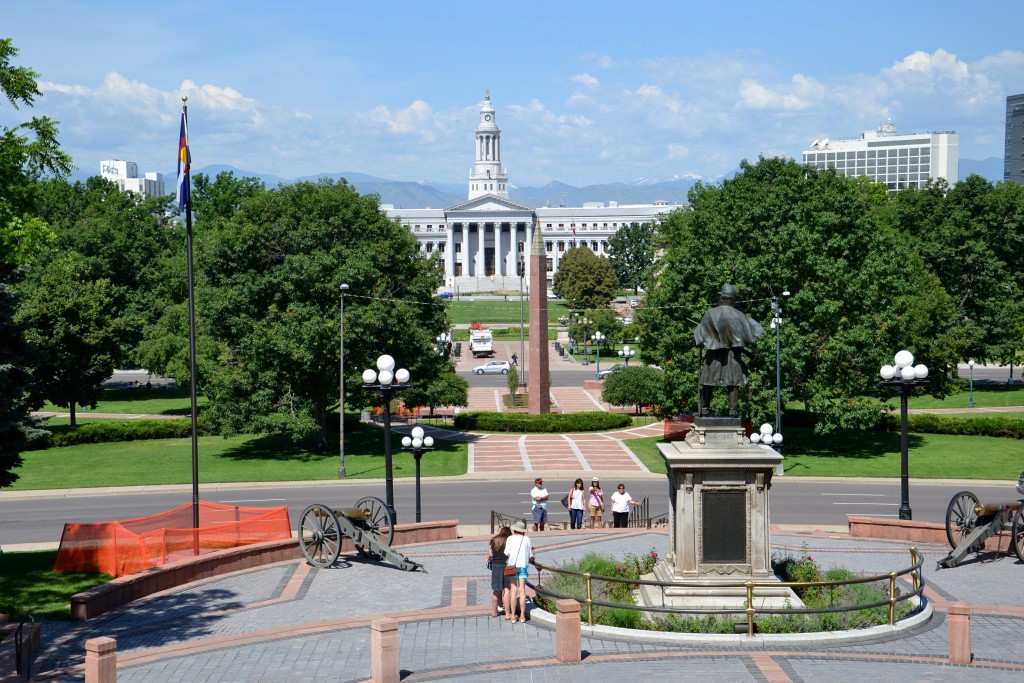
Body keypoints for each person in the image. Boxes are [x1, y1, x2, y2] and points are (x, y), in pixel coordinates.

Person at [694, 283, 766, 417]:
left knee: (708, 382)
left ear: (722, 297)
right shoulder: (740, 315)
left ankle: (704, 409)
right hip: (733, 355)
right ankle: (733, 412)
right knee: (733, 384)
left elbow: (700, 338)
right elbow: (757, 332)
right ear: (732, 299)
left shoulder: (710, 314)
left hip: (714, 355)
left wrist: (702, 339)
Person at [504, 520, 535, 622]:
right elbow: (531, 554)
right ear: (522, 531)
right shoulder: (526, 539)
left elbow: (506, 552)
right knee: (522, 590)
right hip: (523, 566)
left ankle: (513, 616)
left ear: (515, 529)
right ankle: (522, 615)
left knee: (513, 590)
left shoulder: (510, 538)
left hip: (512, 566)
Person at [485, 526, 512, 618]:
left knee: (496, 590)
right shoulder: (509, 540)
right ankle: (508, 614)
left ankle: (494, 612)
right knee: (507, 590)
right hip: (507, 565)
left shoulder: (493, 539)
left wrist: (489, 558)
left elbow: (490, 553)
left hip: (496, 566)